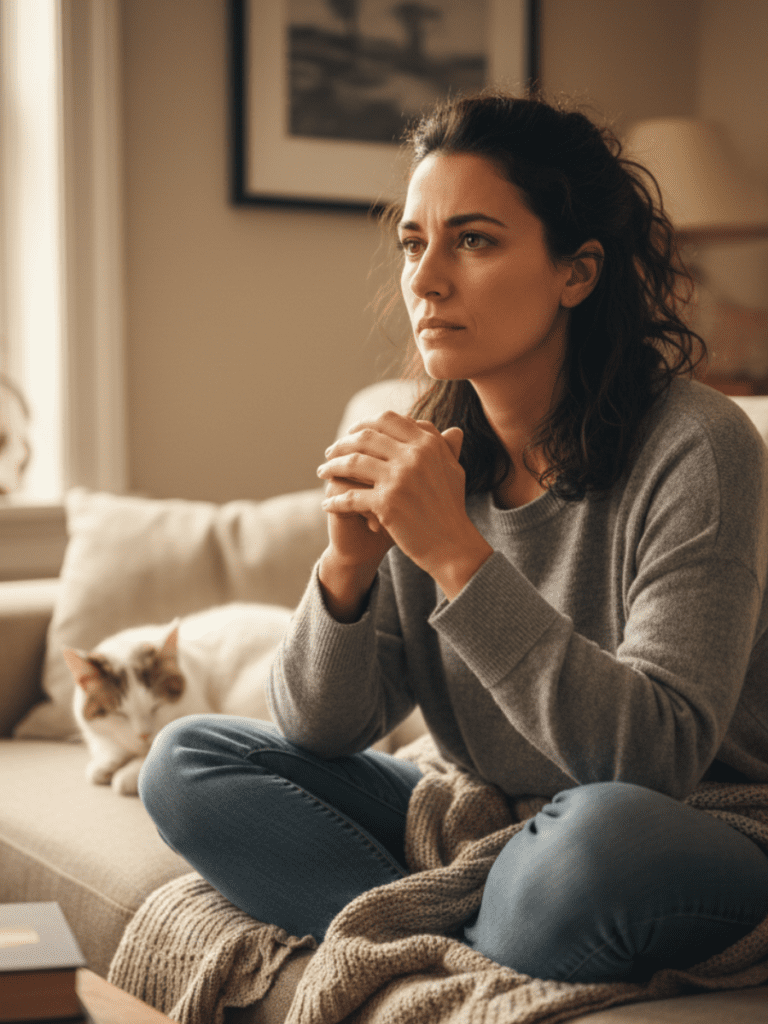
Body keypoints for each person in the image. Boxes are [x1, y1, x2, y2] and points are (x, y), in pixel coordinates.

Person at [139, 91, 768, 985]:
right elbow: (322, 728)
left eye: (473, 240)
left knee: (595, 843)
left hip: (685, 823)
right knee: (186, 760)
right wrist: (346, 572)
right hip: (487, 821)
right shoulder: (427, 441)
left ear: (577, 272)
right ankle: (466, 949)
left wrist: (457, 557)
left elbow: (652, 761)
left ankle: (423, 935)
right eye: (413, 242)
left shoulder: (699, 445)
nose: (426, 277)